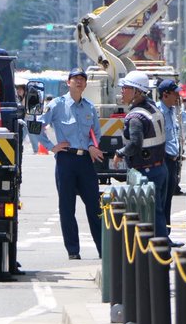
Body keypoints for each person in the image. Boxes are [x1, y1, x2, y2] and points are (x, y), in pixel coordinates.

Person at [37, 69, 105, 260]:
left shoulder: (90, 107)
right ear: (68, 82)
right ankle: (73, 250)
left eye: (82, 80)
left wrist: (92, 146)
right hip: (66, 159)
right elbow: (36, 126)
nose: (79, 82)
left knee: (94, 206)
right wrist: (52, 147)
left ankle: (103, 249)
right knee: (67, 207)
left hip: (85, 160)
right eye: (76, 79)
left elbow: (96, 133)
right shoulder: (57, 105)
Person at [118, 71, 169, 238]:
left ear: (136, 92)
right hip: (160, 168)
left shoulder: (135, 117)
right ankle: (163, 242)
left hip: (145, 172)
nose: (122, 91)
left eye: (125, 88)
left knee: (147, 213)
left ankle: (160, 249)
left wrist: (120, 153)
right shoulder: (152, 108)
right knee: (158, 211)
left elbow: (134, 144)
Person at [157, 78, 183, 214]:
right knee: (160, 201)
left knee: (168, 201)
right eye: (175, 94)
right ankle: (161, 232)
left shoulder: (174, 112)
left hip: (173, 162)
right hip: (162, 160)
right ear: (165, 95)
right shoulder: (157, 112)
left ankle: (166, 232)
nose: (178, 97)